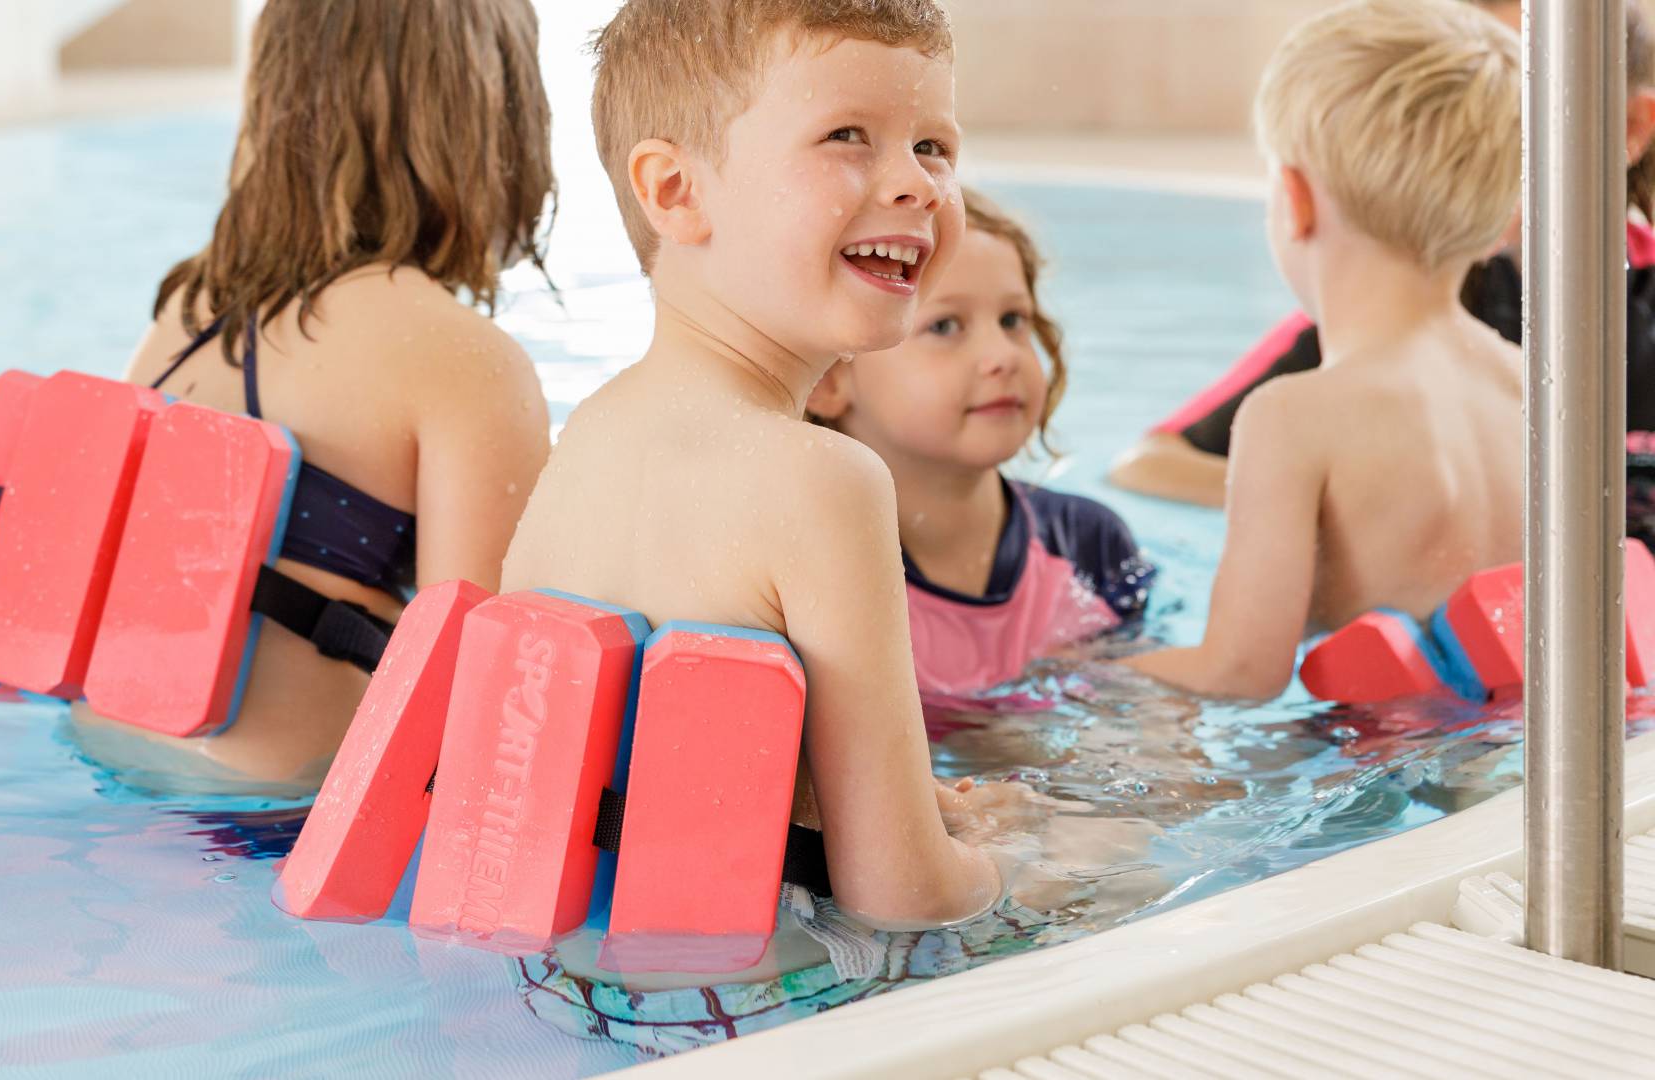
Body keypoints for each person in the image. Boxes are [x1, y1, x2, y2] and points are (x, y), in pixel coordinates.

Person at [500, 0, 1030, 929]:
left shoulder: (591, 436)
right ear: (675, 192)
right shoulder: (824, 480)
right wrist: (1016, 862)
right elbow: (905, 896)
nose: (915, 186)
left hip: (583, 993)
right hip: (765, 1011)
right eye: (848, 137)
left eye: (934, 148)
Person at [67, 0, 554, 792]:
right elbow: (496, 699)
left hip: (102, 763)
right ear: (492, 117)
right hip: (274, 816)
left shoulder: (190, 306)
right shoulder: (464, 359)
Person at [1108, 0, 1655, 535]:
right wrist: (1326, 498)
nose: (1489, 146)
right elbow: (1150, 461)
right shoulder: (1391, 315)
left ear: (1632, 125)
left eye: (1523, 102)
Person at [1124, 0, 1525, 699]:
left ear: (1295, 198)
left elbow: (1241, 672)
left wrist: (1074, 677)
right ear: (1500, 222)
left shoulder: (1294, 415)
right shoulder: (1532, 381)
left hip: (1390, 762)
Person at [806, 188, 1153, 700]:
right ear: (829, 379)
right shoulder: (821, 578)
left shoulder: (1089, 547)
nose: (1001, 356)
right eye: (945, 326)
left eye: (1013, 321)